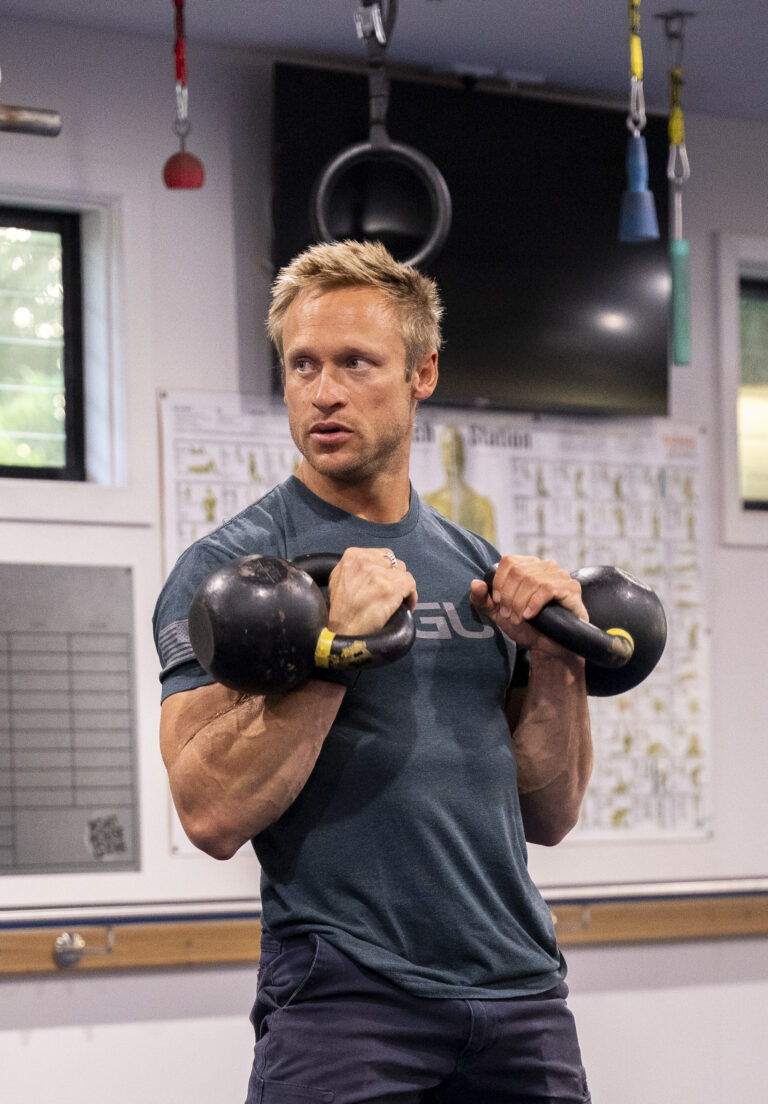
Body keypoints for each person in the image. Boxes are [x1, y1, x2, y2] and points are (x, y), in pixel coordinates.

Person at [153, 239, 593, 1104]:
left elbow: (551, 812)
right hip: (347, 995)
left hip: (519, 990)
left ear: (422, 373)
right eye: (302, 366)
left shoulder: (477, 566)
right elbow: (208, 813)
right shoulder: (235, 572)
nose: (323, 391)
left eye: (357, 363)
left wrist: (554, 662)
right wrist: (333, 651)